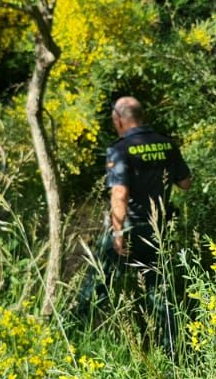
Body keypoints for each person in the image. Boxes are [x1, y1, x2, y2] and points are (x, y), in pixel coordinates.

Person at [73, 96, 192, 350]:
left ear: (119, 119)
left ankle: (73, 333)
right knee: (159, 289)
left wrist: (118, 232)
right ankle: (172, 348)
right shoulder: (166, 144)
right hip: (158, 229)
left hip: (130, 228)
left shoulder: (120, 149)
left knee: (98, 282)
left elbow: (120, 194)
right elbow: (185, 183)